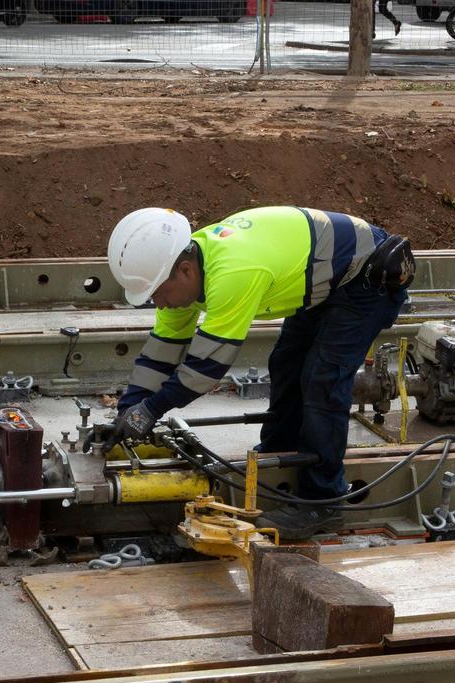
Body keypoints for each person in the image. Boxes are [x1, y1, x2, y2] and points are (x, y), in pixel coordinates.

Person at [104, 206, 415, 539]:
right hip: (328, 278)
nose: (160, 304)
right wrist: (128, 410)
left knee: (322, 379)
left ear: (184, 269)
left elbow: (204, 370)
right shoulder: (187, 274)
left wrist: (150, 410)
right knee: (285, 364)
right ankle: (279, 458)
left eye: (159, 294)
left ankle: (323, 499)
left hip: (366, 277)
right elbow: (162, 351)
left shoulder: (233, 271)